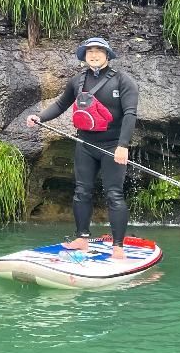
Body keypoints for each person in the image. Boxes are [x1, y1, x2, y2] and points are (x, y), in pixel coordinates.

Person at [26, 37, 140, 261]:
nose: (94, 55)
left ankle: (118, 247)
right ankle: (82, 238)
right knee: (81, 192)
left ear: (108, 55)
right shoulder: (77, 81)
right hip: (85, 145)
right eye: (90, 51)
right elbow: (60, 105)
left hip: (112, 146)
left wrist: (123, 146)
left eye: (99, 51)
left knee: (114, 195)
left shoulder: (123, 81)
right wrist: (39, 117)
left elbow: (130, 114)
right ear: (84, 56)